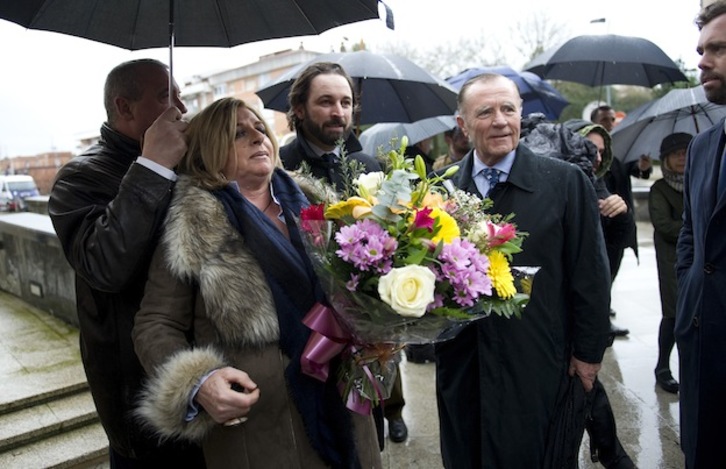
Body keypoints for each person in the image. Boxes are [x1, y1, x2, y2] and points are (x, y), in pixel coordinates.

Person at [131, 97, 382, 468]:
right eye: (238, 133)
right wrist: (200, 382)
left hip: (345, 410)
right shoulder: (189, 226)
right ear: (207, 152)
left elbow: (366, 286)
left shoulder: (325, 206)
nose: (257, 138)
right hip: (258, 434)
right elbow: (155, 323)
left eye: (260, 129)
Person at [435, 73, 611, 468]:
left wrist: (588, 355)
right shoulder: (438, 192)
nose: (500, 120)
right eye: (486, 112)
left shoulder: (565, 183)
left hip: (537, 363)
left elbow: (591, 278)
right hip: (464, 367)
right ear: (462, 125)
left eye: (508, 109)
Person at [48, 59, 205, 467]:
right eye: (166, 96)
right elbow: (104, 266)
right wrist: (151, 166)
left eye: (181, 95)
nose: (181, 109)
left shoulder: (187, 163)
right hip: (141, 393)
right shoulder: (78, 179)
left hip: (204, 375)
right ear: (125, 107)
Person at [279, 61, 408, 444]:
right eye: (326, 102)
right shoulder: (280, 169)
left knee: (369, 438)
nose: (338, 112)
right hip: (309, 327)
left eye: (346, 102)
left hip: (369, 321)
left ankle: (391, 413)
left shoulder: (366, 166)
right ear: (299, 108)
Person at [677, 2, 726, 466]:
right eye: (700, 50)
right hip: (702, 343)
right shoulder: (703, 146)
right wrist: (689, 298)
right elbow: (692, 237)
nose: (702, 61)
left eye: (718, 49)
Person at [566, 120, 634, 341]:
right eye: (589, 149)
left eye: (601, 152)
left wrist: (621, 214)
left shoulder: (598, 185)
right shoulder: (549, 184)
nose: (596, 158)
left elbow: (614, 243)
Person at [650, 132, 691, 395]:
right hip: (671, 260)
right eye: (676, 154)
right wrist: (695, 224)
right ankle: (663, 366)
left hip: (700, 259)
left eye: (686, 152)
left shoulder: (701, 180)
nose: (682, 158)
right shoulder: (660, 189)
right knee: (674, 313)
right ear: (665, 159)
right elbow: (663, 225)